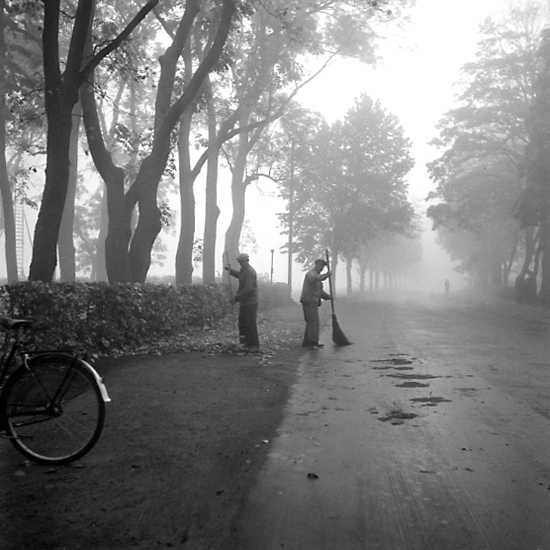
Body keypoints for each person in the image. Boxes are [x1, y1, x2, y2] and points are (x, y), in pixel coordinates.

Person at [225, 253, 260, 352]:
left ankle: (254, 345)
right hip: (245, 302)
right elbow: (239, 275)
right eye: (239, 262)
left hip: (251, 302)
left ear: (247, 261)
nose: (241, 264)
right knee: (242, 324)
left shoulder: (249, 272)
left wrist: (236, 298)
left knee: (250, 324)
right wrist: (229, 270)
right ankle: (244, 344)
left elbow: (248, 289)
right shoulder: (244, 271)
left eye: (242, 262)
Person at [300, 258, 332, 348]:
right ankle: (313, 342)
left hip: (312, 301)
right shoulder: (311, 274)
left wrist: (328, 297)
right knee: (313, 321)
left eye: (323, 267)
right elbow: (315, 279)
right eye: (321, 266)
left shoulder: (317, 276)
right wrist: (326, 275)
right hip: (308, 300)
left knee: (311, 321)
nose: (321, 268)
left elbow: (319, 291)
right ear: (317, 265)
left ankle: (307, 341)